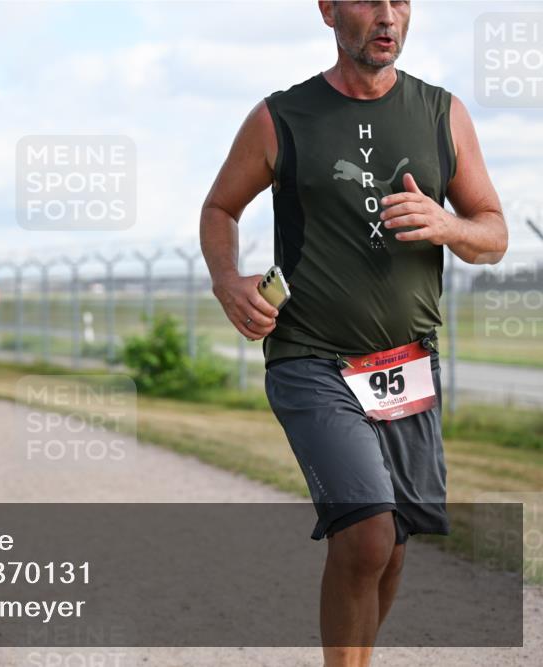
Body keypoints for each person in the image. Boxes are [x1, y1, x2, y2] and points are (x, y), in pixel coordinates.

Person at [198, 2, 507, 665]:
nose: (388, 16)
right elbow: (220, 206)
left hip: (406, 363)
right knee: (367, 533)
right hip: (311, 356)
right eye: (370, 0)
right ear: (330, 9)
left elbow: (493, 232)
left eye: (401, 2)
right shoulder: (281, 117)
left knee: (393, 544)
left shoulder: (442, 113)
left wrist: (447, 224)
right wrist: (229, 280)